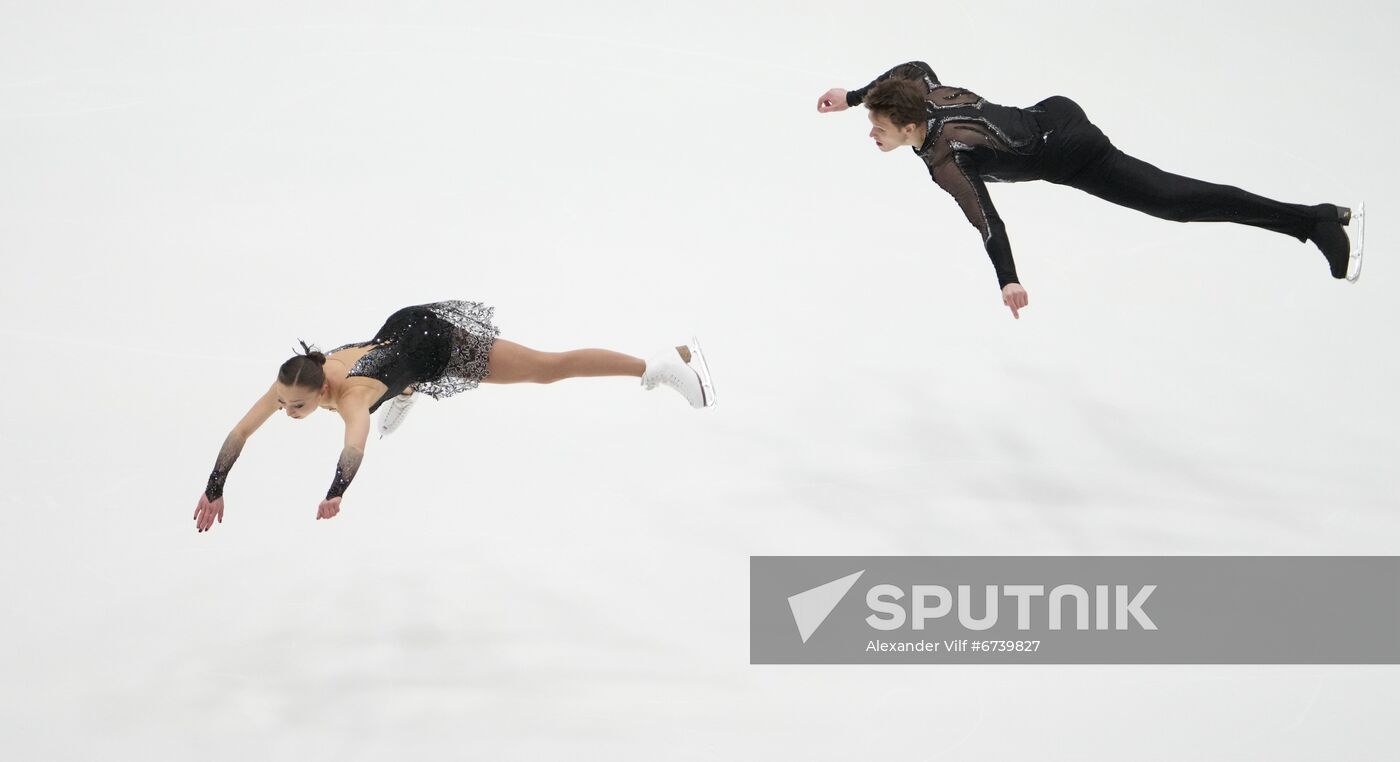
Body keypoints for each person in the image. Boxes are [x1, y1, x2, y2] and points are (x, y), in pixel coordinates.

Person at [816, 61, 1362, 319]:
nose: (873, 134)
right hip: (1051, 110)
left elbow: (987, 221)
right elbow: (915, 65)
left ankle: (1313, 220)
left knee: (1175, 202)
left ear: (910, 128)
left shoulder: (945, 158)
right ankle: (1312, 219)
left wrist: (1008, 279)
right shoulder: (924, 94)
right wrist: (857, 95)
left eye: (879, 128)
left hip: (1071, 150)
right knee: (1175, 200)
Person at [192, 300, 714, 532]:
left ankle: (659, 366)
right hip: (398, 339)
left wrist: (335, 493)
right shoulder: (295, 379)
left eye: (297, 407)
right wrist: (215, 485)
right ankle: (407, 388)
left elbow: (354, 444)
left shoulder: (350, 397)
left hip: (434, 344)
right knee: (399, 372)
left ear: (323, 388)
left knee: (546, 369)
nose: (285, 412)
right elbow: (242, 430)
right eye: (283, 403)